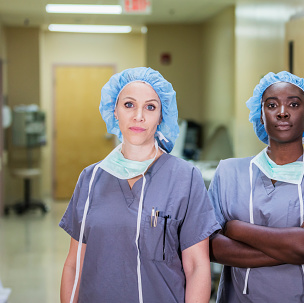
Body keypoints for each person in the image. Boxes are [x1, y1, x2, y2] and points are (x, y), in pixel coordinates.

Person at [59, 67, 220, 303]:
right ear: (114, 110)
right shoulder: (91, 178)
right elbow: (74, 264)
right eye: (129, 105)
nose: (138, 116)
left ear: (162, 115)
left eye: (150, 107)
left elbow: (197, 267)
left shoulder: (185, 178)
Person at [208, 71, 304, 302]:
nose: (282, 112)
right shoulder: (228, 173)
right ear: (261, 114)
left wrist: (236, 229)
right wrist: (294, 244)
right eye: (272, 105)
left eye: (294, 104)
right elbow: (211, 248)